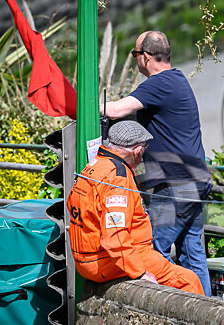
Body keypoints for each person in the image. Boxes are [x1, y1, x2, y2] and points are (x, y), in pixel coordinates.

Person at [105, 30, 212, 295]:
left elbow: (115, 110)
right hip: (195, 180)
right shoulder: (176, 80)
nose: (134, 60)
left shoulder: (160, 83)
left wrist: (80, 104)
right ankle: (208, 316)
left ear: (144, 57)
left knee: (153, 252)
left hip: (176, 185)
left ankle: (160, 314)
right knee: (192, 254)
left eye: (134, 54)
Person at [67, 120, 203, 294]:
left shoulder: (94, 166)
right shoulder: (118, 178)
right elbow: (114, 234)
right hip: (106, 260)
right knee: (188, 280)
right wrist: (139, 272)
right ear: (138, 151)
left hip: (88, 258)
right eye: (144, 149)